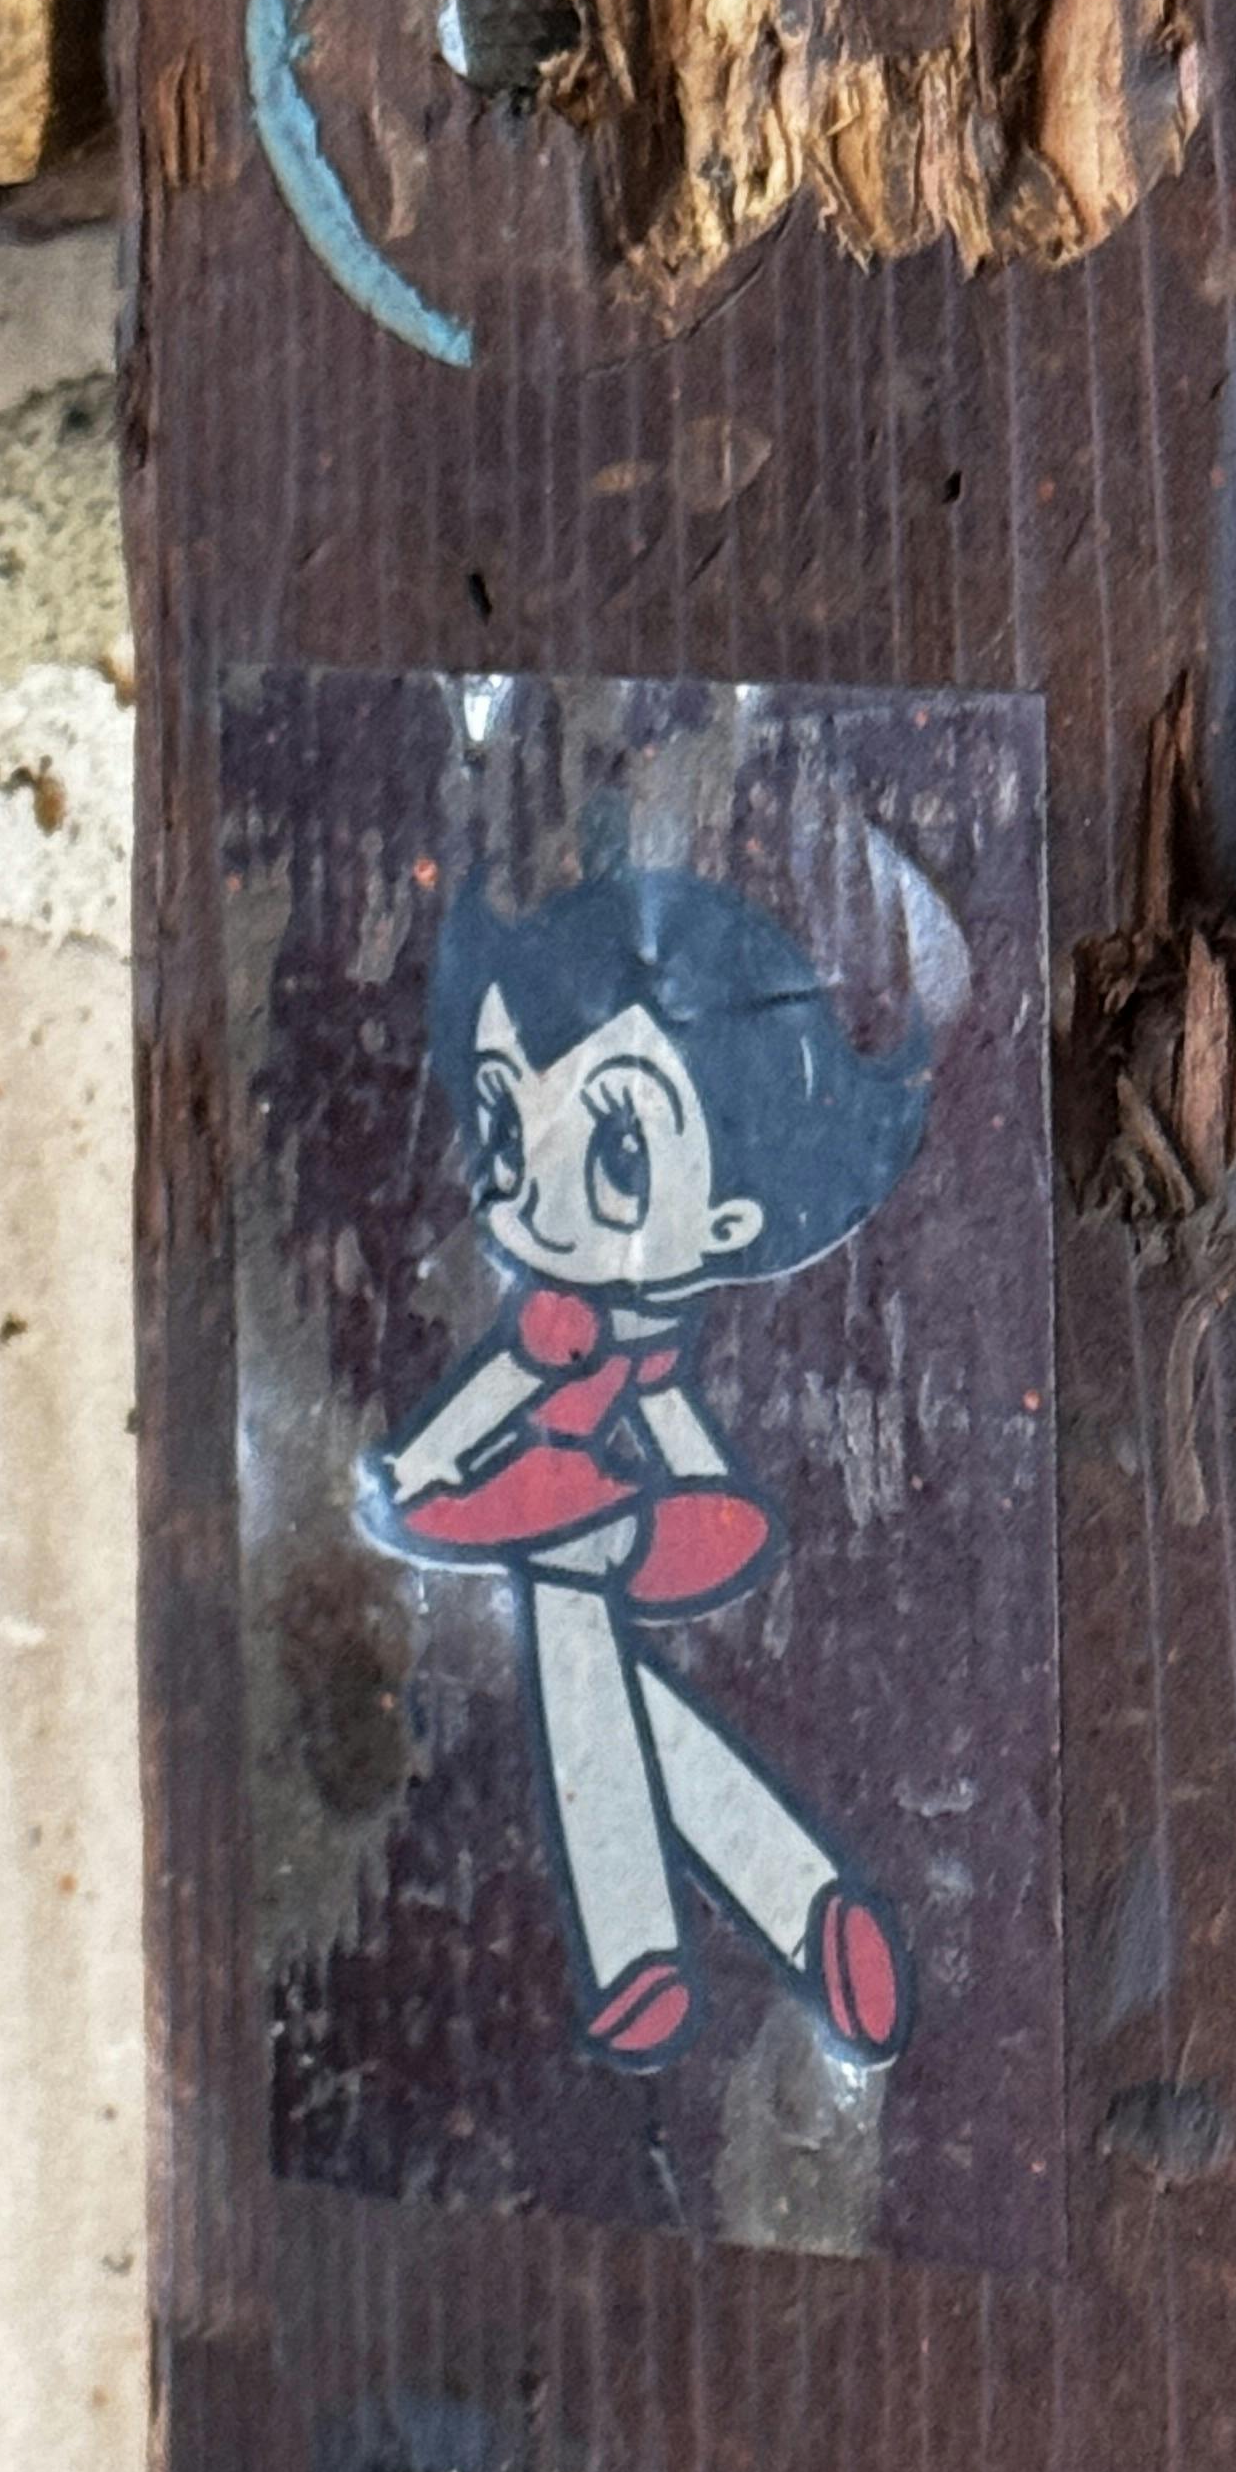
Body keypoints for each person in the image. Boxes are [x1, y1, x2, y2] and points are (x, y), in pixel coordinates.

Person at [366, 859, 939, 2075]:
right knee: (605, 1670)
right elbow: (480, 1411)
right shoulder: (552, 1323)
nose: (531, 1195)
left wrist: (432, 1474)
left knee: (577, 1615)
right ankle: (800, 1902)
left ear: (728, 1227)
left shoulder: (613, 1331)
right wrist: (417, 1474)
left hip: (618, 1512)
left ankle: (639, 1950)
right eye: (510, 1128)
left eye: (617, 1153)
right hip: (552, 1503)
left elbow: (658, 1426)